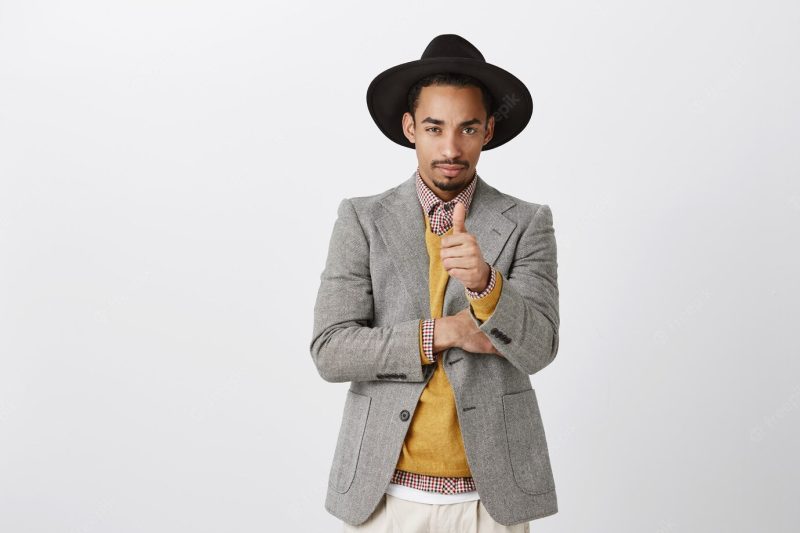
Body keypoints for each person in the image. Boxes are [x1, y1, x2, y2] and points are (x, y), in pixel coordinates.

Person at [310, 33, 560, 532]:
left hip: (492, 498)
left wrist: (487, 284)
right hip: (382, 493)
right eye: (434, 127)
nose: (451, 147)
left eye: (468, 128)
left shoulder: (528, 222)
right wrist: (442, 333)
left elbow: (539, 348)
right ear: (410, 129)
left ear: (488, 129)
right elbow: (331, 350)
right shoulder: (362, 219)